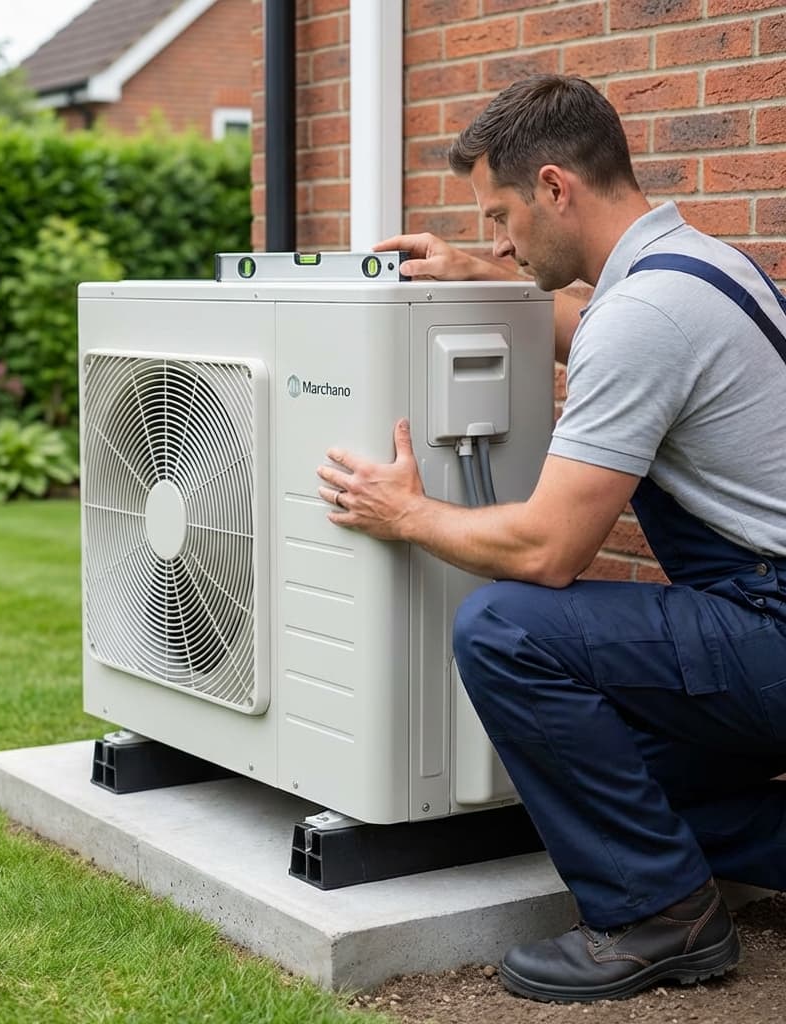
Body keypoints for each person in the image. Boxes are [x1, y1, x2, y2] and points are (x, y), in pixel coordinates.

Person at [315, 74, 786, 1004]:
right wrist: (480, 274)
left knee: (506, 627)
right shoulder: (694, 264)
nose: (498, 236)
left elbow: (547, 553)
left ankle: (661, 920)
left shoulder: (645, 316)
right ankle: (670, 872)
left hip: (770, 620)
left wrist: (404, 512)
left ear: (556, 188)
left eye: (502, 215)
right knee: (612, 786)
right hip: (760, 613)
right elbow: (598, 324)